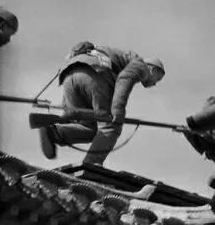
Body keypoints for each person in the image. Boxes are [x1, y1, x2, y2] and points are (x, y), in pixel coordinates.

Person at [37, 42, 165, 164]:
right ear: (153, 70)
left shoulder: (106, 53)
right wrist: (117, 110)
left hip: (69, 75)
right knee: (110, 126)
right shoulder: (141, 66)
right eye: (157, 79)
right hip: (95, 74)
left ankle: (53, 132)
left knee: (89, 128)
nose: (154, 84)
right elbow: (125, 78)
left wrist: (67, 109)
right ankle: (92, 164)